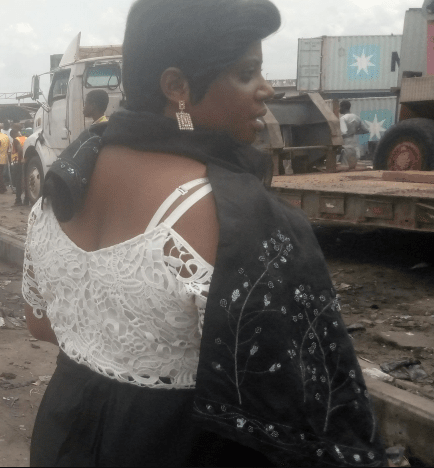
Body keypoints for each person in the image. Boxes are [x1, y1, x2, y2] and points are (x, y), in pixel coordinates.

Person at [23, 1, 384, 466]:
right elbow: (299, 404)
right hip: (172, 446)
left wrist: (118, 360)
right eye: (247, 72)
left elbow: (40, 324)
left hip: (65, 435)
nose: (266, 89)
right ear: (177, 86)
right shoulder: (236, 216)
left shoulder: (59, 189)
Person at [339, 100, 368, 170]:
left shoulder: (343, 118)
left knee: (345, 165)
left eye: (340, 107)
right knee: (353, 165)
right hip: (354, 143)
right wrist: (355, 132)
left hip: (345, 143)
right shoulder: (356, 117)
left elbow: (343, 132)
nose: (339, 109)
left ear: (344, 107)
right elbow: (365, 130)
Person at [10, 123, 27, 205]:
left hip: (18, 163)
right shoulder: (25, 138)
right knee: (24, 180)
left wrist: (20, 160)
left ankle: (18, 200)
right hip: (25, 162)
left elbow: (20, 150)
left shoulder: (16, 139)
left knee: (18, 181)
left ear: (14, 134)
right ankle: (26, 199)